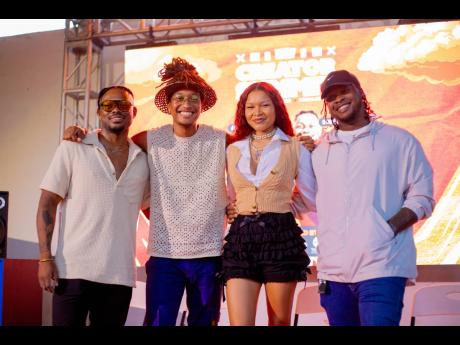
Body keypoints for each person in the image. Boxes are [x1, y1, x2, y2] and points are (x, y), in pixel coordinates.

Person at [312, 70, 435, 326]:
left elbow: (422, 194)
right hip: (334, 273)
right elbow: (307, 197)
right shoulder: (320, 150)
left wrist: (387, 228)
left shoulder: (398, 140)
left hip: (382, 266)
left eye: (344, 91)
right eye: (331, 97)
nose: (338, 100)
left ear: (359, 92)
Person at [37, 86, 150, 326]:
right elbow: (47, 204)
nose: (116, 110)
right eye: (108, 105)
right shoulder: (73, 147)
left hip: (119, 276)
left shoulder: (143, 159)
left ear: (134, 111)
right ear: (99, 112)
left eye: (122, 104)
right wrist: (45, 259)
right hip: (72, 271)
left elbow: (160, 205)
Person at [222, 82, 317, 326]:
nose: (258, 112)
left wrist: (283, 206)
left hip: (280, 238)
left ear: (277, 108)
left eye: (265, 105)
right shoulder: (233, 150)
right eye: (250, 106)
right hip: (240, 240)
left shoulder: (296, 147)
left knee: (279, 322)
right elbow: (231, 195)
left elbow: (311, 197)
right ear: (243, 112)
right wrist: (232, 208)